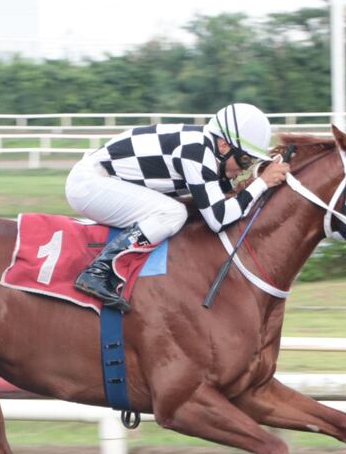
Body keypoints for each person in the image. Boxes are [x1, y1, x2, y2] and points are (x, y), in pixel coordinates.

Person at [65, 102, 291, 312]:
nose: (244, 169)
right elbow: (218, 219)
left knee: (175, 211)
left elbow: (225, 198)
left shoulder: (204, 146)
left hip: (102, 181)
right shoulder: (196, 153)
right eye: (244, 160)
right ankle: (98, 272)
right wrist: (263, 182)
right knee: (173, 213)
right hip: (90, 185)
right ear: (224, 145)